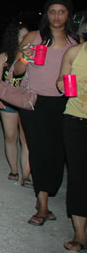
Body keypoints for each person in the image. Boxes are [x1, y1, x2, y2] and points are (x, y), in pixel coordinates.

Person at [14, 0, 78, 227]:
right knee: (39, 149)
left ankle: (49, 191)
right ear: (46, 14)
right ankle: (42, 204)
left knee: (59, 152)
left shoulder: (76, 41)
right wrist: (26, 57)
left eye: (61, 11)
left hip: (65, 103)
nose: (57, 16)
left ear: (68, 14)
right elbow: (17, 71)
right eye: (52, 11)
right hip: (35, 102)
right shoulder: (34, 37)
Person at [57, 23, 87, 251]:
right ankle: (79, 233)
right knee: (78, 177)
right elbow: (60, 81)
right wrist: (66, 86)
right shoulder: (75, 53)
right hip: (76, 119)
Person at [0, 21, 31, 186]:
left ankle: (27, 175)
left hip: (26, 100)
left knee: (26, 139)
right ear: (14, 38)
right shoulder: (4, 57)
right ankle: (14, 170)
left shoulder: (33, 55)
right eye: (23, 36)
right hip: (8, 100)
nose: (26, 39)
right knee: (10, 136)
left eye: (28, 35)